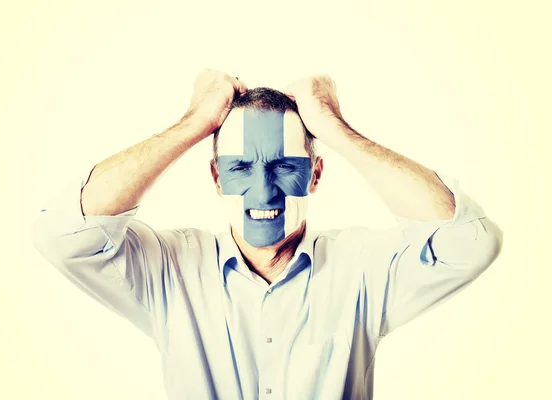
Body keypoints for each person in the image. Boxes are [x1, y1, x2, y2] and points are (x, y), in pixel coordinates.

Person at [33, 69, 503, 399]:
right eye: (240, 168)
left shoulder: (361, 268)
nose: (264, 190)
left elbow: (470, 242)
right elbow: (63, 232)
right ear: (216, 178)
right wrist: (194, 124)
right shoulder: (168, 269)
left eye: (285, 167)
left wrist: (333, 127)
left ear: (315, 175)